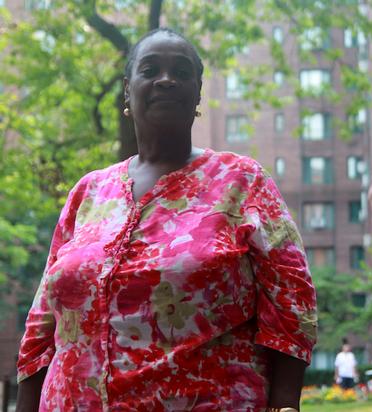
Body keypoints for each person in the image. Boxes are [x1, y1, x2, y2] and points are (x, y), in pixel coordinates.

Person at [15, 28, 317, 412]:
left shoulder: (243, 181)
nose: (166, 78)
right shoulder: (88, 192)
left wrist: (285, 404)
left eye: (181, 71)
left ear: (197, 93)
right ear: (128, 90)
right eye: (151, 68)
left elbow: (292, 300)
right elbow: (42, 323)